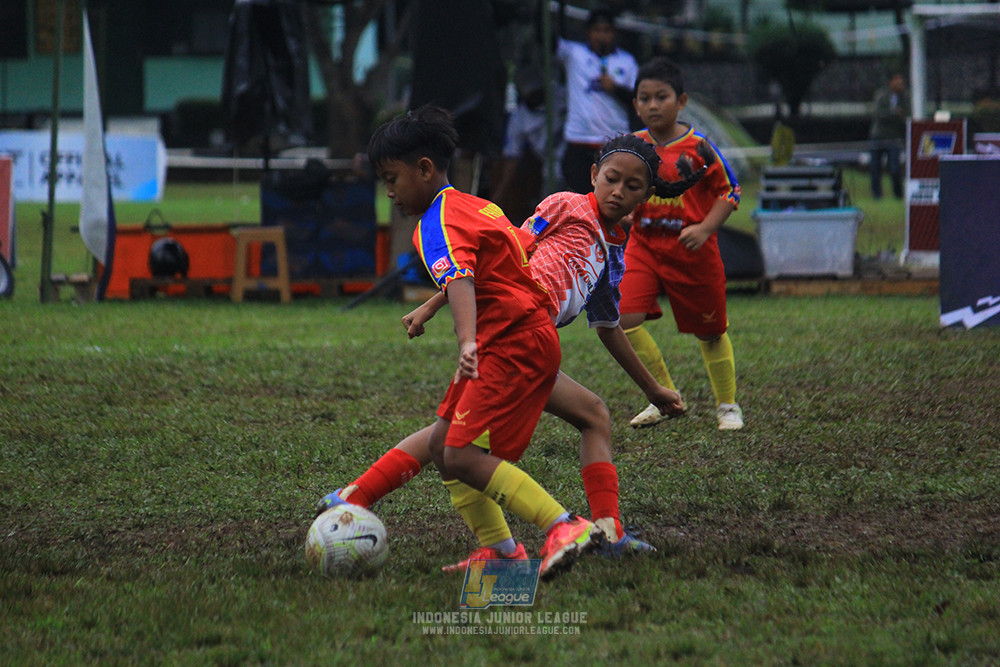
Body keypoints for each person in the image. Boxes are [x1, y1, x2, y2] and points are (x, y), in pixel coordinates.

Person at [317, 134, 699, 566]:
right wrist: (434, 303)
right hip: (512, 331)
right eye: (611, 179)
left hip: (529, 341)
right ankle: (368, 495)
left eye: (632, 187)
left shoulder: (614, 252)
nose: (618, 192)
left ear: (647, 195)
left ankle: (601, 531)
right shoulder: (565, 206)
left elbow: (609, 327)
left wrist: (653, 390)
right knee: (455, 445)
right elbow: (502, 251)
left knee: (590, 416)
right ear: (594, 175)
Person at [359, 105, 602, 580]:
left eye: (392, 178)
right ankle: (501, 551)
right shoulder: (474, 205)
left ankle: (564, 525)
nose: (389, 191)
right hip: (521, 334)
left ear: (424, 169)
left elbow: (465, 279)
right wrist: (432, 306)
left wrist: (466, 340)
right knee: (443, 443)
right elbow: (498, 265)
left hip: (509, 342)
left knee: (464, 455)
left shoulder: (436, 223)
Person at [619, 57, 745, 431]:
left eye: (662, 97)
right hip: (642, 247)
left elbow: (730, 191)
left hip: (693, 253)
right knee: (623, 319)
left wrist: (705, 228)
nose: (653, 105)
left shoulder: (700, 148)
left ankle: (727, 407)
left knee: (710, 332)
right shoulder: (630, 147)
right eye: (645, 98)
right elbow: (616, 189)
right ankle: (663, 397)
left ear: (682, 101)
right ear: (635, 105)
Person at [557, 5, 638, 195]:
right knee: (577, 196)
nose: (601, 36)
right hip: (580, 140)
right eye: (596, 30)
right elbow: (545, 40)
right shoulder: (574, 54)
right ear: (588, 32)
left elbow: (636, 100)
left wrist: (615, 88)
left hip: (614, 141)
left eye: (606, 31)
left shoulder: (627, 61)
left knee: (610, 195)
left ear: (613, 33)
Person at [869, 71, 909, 200]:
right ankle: (877, 195)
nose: (900, 84)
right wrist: (894, 113)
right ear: (891, 82)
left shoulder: (904, 98)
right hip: (879, 136)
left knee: (895, 168)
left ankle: (898, 195)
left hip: (894, 137)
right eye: (898, 81)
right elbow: (878, 114)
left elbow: (906, 114)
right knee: (875, 167)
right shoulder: (882, 95)